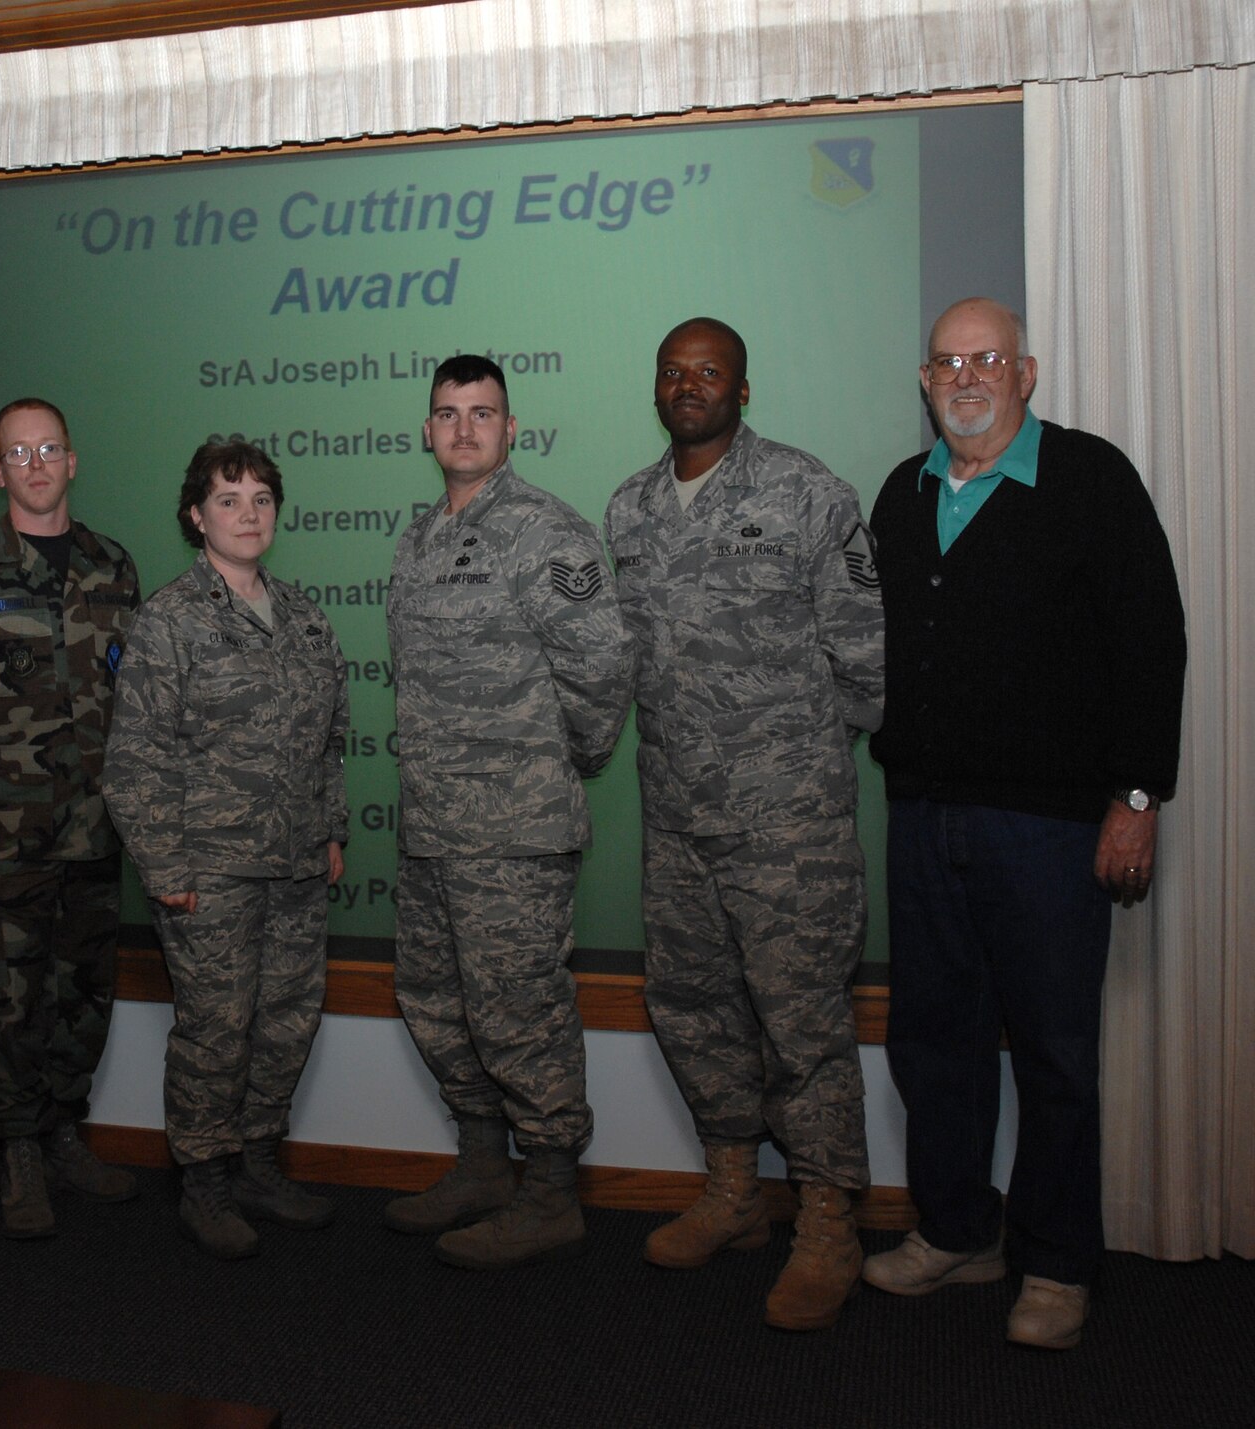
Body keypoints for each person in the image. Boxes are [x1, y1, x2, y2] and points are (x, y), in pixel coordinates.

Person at [863, 298, 1186, 1350]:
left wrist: (1134, 799)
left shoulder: (1088, 482)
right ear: (924, 381)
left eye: (986, 359)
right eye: (946, 363)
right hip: (921, 819)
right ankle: (957, 1230)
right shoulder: (900, 496)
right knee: (931, 1044)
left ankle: (1055, 1262)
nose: (964, 378)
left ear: (1025, 372)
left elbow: (1152, 641)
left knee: (1052, 1052)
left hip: (1047, 832)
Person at [604, 318, 884, 1330]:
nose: (688, 386)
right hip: (675, 815)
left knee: (802, 1020)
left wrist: (789, 757)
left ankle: (825, 1223)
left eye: (707, 371)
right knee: (690, 1005)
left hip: (785, 823)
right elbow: (627, 658)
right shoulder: (629, 507)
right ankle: (732, 1192)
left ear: (742, 388)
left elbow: (864, 659)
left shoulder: (810, 495)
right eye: (671, 372)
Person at [383, 353, 633, 1270]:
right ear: (427, 430)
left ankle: (550, 1192)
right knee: (438, 1004)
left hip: (514, 832)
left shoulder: (544, 531)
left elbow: (601, 670)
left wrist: (558, 763)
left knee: (519, 1012)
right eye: (447, 413)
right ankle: (484, 1165)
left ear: (511, 428)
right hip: (432, 829)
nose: (463, 428)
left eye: (481, 413)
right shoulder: (417, 539)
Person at [106, 440, 350, 1259]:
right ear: (195, 515)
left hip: (294, 864)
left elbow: (331, 741)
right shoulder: (171, 619)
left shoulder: (306, 616)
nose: (248, 513)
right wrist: (165, 867)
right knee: (217, 1027)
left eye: (260, 498)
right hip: (208, 869)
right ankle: (204, 1181)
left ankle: (257, 1163)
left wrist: (332, 830)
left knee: (285, 1022)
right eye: (229, 498)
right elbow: (135, 756)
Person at [0, 397, 141, 1239]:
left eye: (48, 448)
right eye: (17, 452)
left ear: (72, 461)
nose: (34, 463)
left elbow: (133, 695)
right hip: (6, 826)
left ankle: (65, 1130)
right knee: (10, 991)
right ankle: (18, 1150)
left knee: (85, 988)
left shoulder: (113, 564)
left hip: (98, 825)